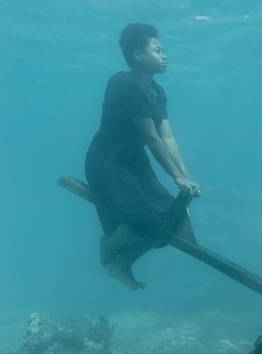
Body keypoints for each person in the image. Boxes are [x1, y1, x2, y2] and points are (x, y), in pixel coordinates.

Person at [85, 23, 201, 290]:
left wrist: (185, 176)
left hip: (135, 163)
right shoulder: (124, 83)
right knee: (148, 225)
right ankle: (110, 245)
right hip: (109, 163)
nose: (165, 55)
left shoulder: (158, 92)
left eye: (164, 50)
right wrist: (175, 177)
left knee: (175, 222)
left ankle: (122, 264)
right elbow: (151, 137)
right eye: (158, 50)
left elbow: (167, 136)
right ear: (138, 55)